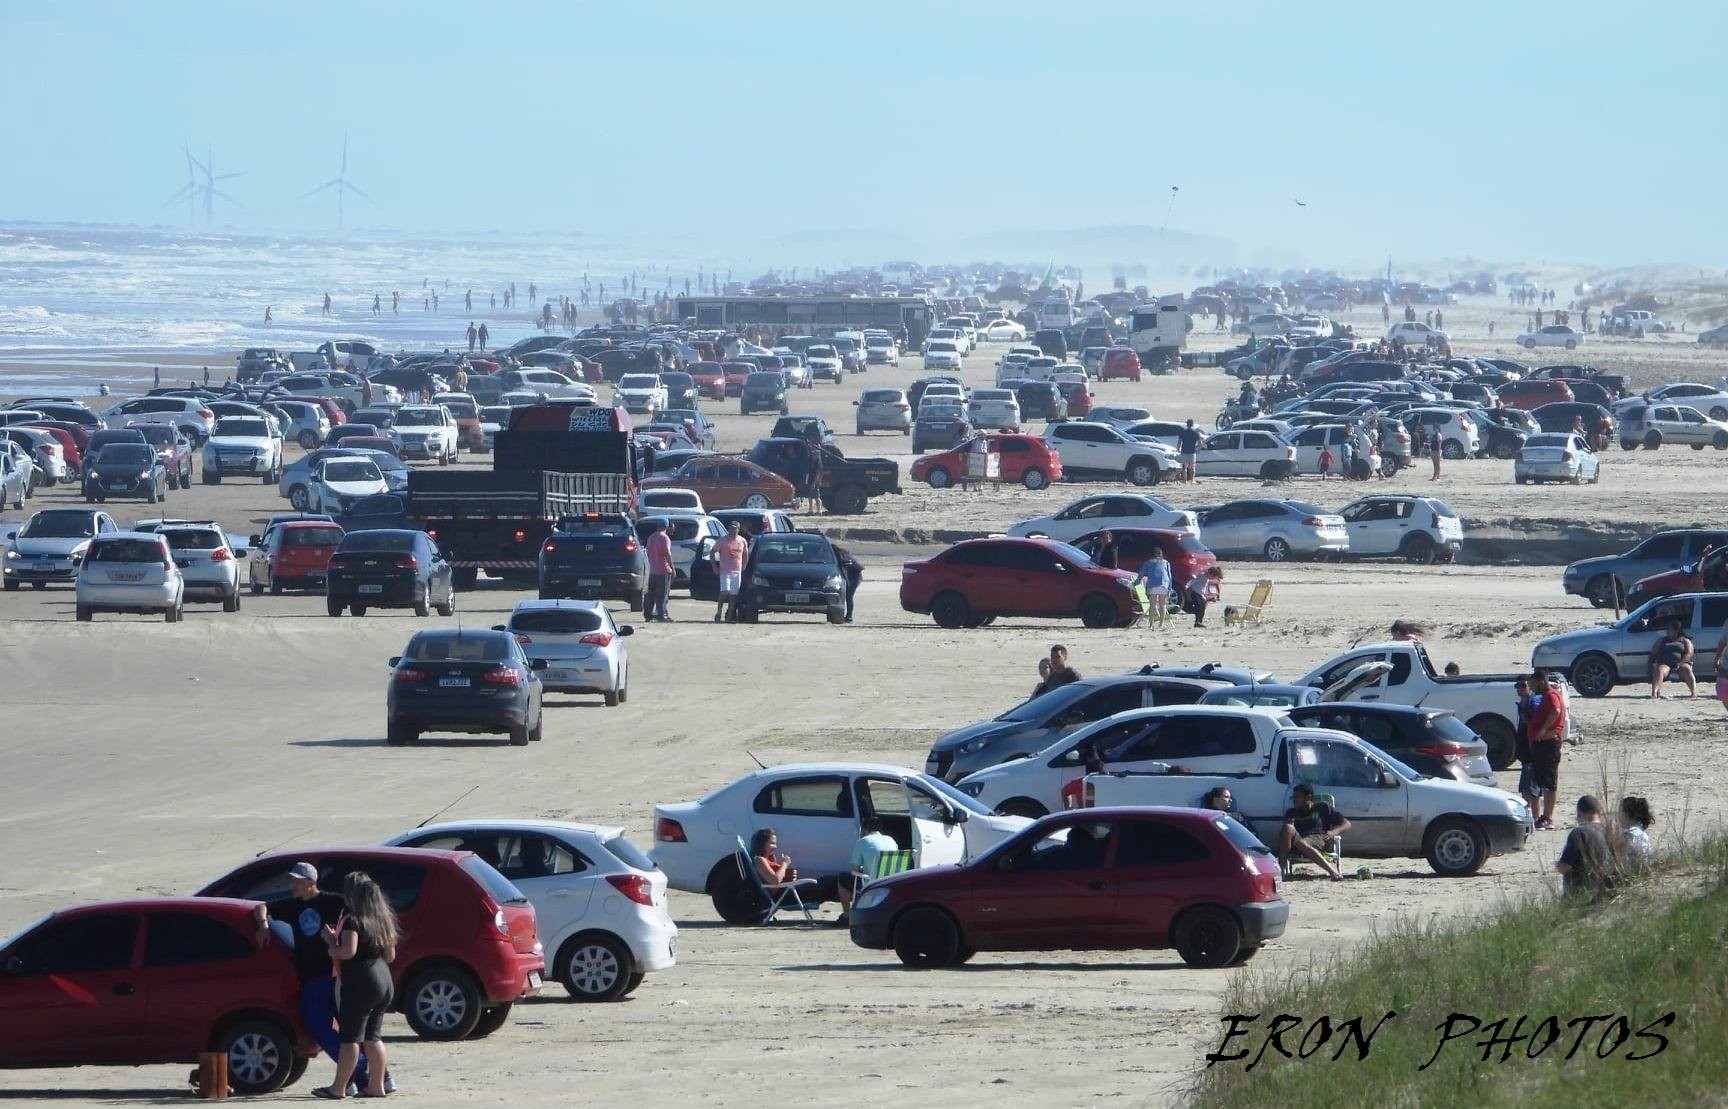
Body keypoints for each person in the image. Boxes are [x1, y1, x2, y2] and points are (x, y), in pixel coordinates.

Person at [252, 863, 374, 1092]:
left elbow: (360, 916)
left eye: (298, 880)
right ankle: (358, 1076)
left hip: (337, 973)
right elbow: (261, 907)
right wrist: (264, 925)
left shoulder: (334, 901)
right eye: (292, 880)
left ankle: (365, 1075)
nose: (293, 885)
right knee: (323, 1028)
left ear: (311, 882)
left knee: (347, 1029)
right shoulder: (292, 906)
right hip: (311, 976)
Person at [315, 872, 399, 1100]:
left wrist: (332, 944)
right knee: (373, 1035)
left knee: (350, 1037)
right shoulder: (383, 920)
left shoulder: (353, 920)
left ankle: (339, 1087)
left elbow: (347, 952)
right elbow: (390, 956)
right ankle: (377, 1085)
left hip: (361, 980)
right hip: (383, 978)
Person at [1280, 784, 1349, 880]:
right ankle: (1281, 871)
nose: (1294, 800)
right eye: (1293, 797)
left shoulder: (1322, 807)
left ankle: (1332, 872)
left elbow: (1346, 823)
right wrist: (1289, 826)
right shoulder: (1291, 812)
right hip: (1297, 841)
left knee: (1302, 841)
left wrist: (1333, 832)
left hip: (1319, 838)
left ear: (1308, 797)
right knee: (1288, 827)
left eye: (1298, 797)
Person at [1527, 670, 1568, 830]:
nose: (1533, 687)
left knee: (1550, 783)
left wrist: (1542, 731)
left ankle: (1548, 817)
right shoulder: (1550, 694)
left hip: (1548, 743)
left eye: (1534, 684)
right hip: (1542, 744)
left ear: (1541, 682)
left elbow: (1556, 711)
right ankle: (1544, 816)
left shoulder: (1551, 695)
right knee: (1543, 781)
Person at [840, 818, 900, 923]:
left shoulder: (863, 841)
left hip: (872, 882)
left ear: (865, 830)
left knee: (842, 878)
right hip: (892, 882)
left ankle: (847, 915)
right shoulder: (891, 840)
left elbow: (854, 870)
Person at [1556, 795, 1615, 896]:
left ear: (1580, 813)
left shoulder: (1579, 833)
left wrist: (1557, 865)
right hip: (1605, 890)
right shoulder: (1610, 832)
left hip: (1580, 892)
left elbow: (1564, 867)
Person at [713, 520, 749, 622]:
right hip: (725, 570)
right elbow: (712, 552)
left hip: (737, 571)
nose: (733, 530)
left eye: (735, 528)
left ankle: (729, 615)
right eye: (731, 528)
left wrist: (744, 565)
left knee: (734, 595)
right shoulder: (723, 540)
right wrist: (714, 567)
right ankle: (719, 612)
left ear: (738, 529)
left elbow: (745, 554)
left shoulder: (742, 541)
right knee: (725, 592)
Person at [1648, 622, 1695, 698]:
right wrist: (1650, 665)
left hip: (1681, 663)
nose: (1667, 631)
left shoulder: (1684, 640)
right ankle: (1654, 692)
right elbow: (1653, 653)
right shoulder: (1662, 640)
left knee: (1687, 669)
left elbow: (1689, 653)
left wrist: (1680, 663)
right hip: (1665, 663)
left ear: (1676, 630)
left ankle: (1693, 693)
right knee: (1660, 670)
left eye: (1669, 629)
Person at [1132, 546, 1172, 625]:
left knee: (1152, 605)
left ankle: (1151, 624)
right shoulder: (1166, 562)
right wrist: (1169, 589)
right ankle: (1161, 624)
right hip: (1164, 584)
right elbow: (1169, 576)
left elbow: (1141, 574)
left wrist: (1137, 582)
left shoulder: (1148, 562)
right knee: (1162, 605)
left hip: (1152, 585)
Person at [644, 520, 674, 621]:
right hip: (663, 571)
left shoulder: (651, 537)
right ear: (666, 526)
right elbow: (667, 553)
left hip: (652, 571)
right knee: (662, 595)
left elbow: (648, 553)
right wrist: (672, 568)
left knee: (651, 595)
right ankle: (662, 614)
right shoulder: (664, 538)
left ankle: (648, 614)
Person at [1618, 796, 1654, 869]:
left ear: (1627, 814)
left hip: (1634, 872)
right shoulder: (1640, 831)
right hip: (1645, 869)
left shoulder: (1629, 834)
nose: (1618, 816)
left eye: (1620, 813)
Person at [833, 542, 864, 623]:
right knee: (848, 596)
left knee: (849, 596)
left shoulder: (839, 556)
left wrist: (847, 582)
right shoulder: (842, 553)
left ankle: (849, 616)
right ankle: (847, 616)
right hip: (854, 576)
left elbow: (844, 570)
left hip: (855, 576)